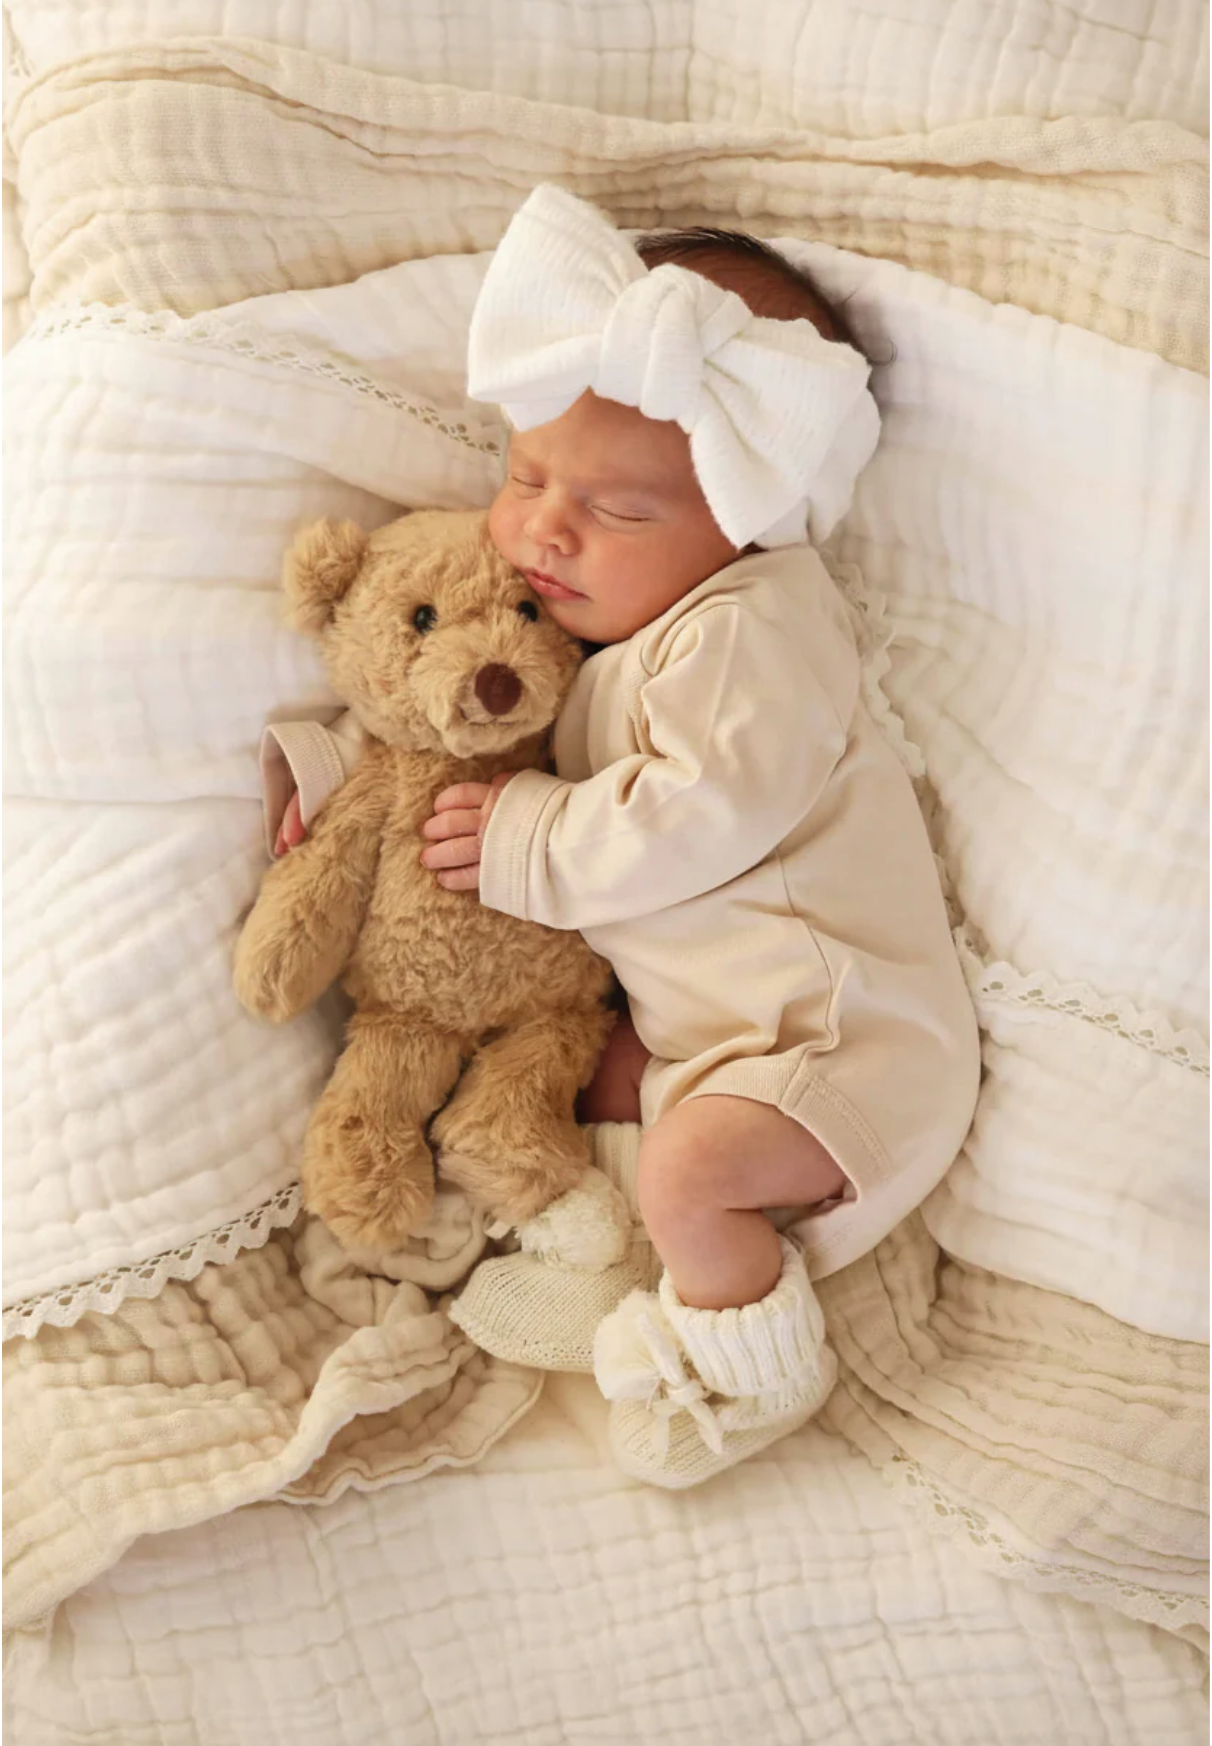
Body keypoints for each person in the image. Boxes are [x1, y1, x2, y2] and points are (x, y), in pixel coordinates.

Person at [264, 184, 980, 1487]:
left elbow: (707, 809)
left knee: (697, 1163)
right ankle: (593, 1241)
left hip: (844, 1047)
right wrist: (327, 775)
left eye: (620, 510)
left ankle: (744, 1371)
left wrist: (533, 845)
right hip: (717, 1037)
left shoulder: (757, 624)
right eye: (529, 476)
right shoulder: (612, 639)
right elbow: (453, 722)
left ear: (748, 513)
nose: (545, 527)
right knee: (599, 1078)